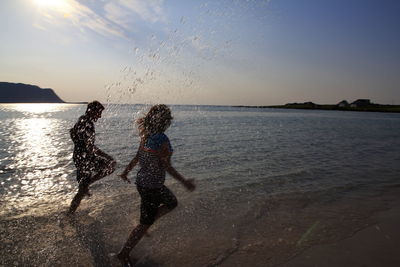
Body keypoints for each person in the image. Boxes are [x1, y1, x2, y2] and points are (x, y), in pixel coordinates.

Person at [117, 104, 195, 266]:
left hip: (142, 183)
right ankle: (124, 253)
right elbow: (167, 166)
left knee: (170, 203)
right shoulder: (162, 140)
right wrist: (184, 181)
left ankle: (146, 223)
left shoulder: (146, 135)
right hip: (152, 186)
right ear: (165, 121)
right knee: (159, 212)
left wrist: (126, 172)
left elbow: (137, 156)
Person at [68, 101, 116, 214]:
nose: (99, 116)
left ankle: (70, 213)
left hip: (79, 157)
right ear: (92, 111)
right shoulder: (88, 124)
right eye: (98, 113)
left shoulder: (81, 119)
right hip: (85, 159)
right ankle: (70, 213)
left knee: (82, 189)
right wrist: (108, 157)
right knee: (111, 166)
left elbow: (72, 133)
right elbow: (90, 147)